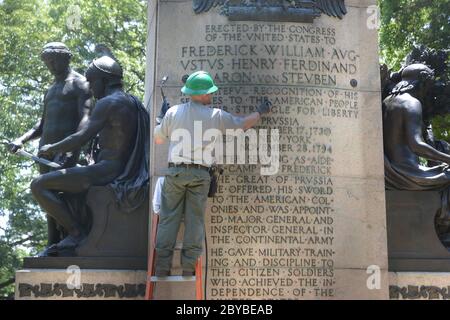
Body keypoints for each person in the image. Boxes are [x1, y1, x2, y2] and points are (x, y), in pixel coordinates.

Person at [153, 70, 271, 276]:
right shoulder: (216, 116)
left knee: (168, 219)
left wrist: (161, 119)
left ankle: (162, 266)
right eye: (209, 92)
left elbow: (159, 140)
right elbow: (242, 124)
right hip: (200, 176)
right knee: (194, 221)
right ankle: (188, 267)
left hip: (176, 173)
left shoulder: (173, 113)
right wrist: (260, 112)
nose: (211, 96)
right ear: (202, 94)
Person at [33, 53, 149, 253]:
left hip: (107, 171)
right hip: (121, 169)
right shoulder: (133, 102)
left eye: (92, 82)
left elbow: (80, 137)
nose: (91, 87)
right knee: (67, 180)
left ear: (104, 80)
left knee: (39, 184)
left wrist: (51, 148)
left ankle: (76, 234)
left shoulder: (108, 102)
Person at [9, 42, 92, 247]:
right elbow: (42, 124)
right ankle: (53, 244)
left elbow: (85, 120)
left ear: (66, 58)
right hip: (44, 153)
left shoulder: (80, 83)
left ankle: (76, 234)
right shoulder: (51, 89)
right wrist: (22, 139)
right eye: (48, 62)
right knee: (47, 199)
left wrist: (71, 147)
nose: (51, 66)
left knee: (64, 196)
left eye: (55, 60)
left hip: (66, 152)